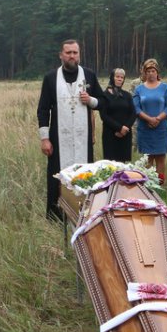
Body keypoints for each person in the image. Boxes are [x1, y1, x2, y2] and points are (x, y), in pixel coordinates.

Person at [37, 39, 104, 219]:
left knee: (85, 175)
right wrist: (44, 139)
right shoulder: (50, 78)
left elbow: (103, 102)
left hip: (83, 138)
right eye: (68, 53)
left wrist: (91, 100)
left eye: (75, 52)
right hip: (58, 139)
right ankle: (56, 216)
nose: (72, 56)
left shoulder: (89, 75)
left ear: (79, 55)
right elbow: (43, 109)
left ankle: (84, 215)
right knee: (57, 176)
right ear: (61, 55)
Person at [133, 58, 167, 183]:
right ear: (144, 73)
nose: (151, 73)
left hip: (161, 129)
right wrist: (149, 119)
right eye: (148, 71)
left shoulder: (165, 87)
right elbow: (136, 108)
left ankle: (159, 186)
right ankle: (148, 186)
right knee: (147, 159)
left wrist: (158, 119)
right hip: (145, 129)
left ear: (157, 72)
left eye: (153, 71)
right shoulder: (139, 89)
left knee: (161, 158)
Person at [99, 68, 135, 162]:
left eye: (122, 77)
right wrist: (119, 128)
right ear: (112, 77)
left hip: (125, 134)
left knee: (123, 165)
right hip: (110, 135)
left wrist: (125, 128)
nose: (119, 79)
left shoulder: (127, 95)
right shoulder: (104, 95)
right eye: (117, 76)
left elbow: (133, 113)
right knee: (110, 165)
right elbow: (104, 116)